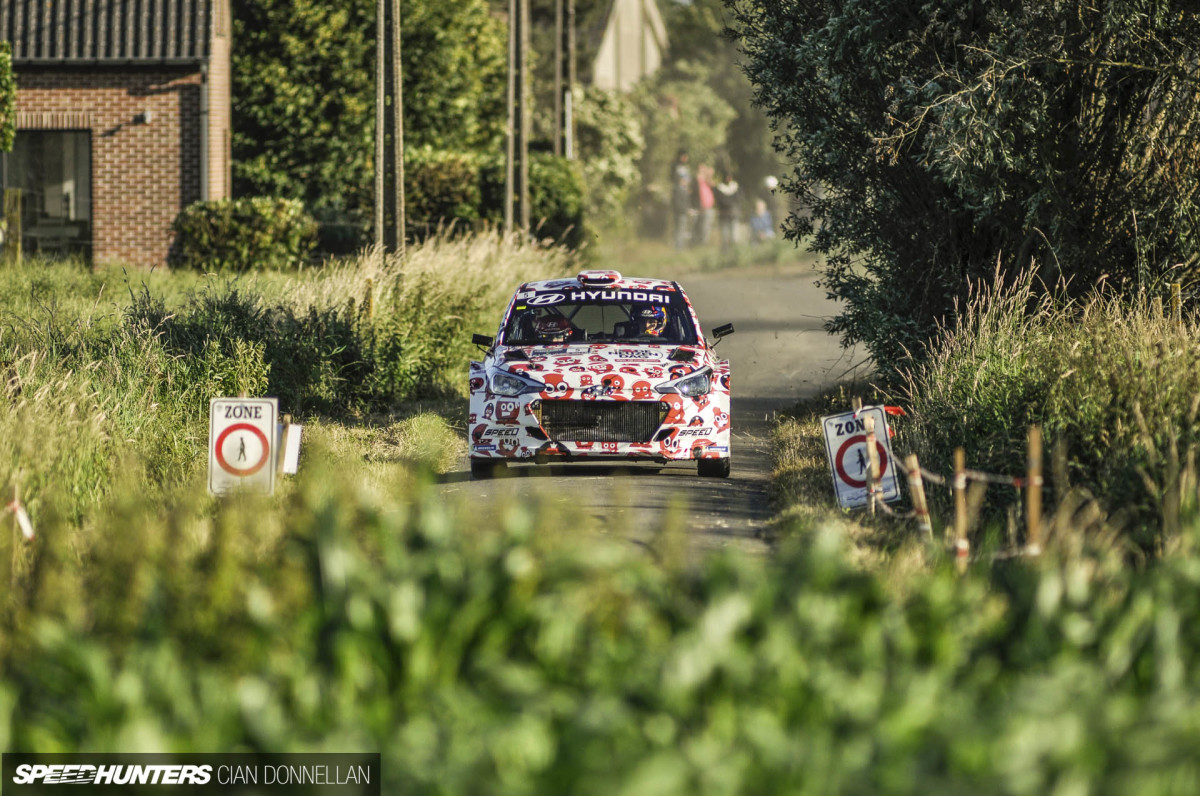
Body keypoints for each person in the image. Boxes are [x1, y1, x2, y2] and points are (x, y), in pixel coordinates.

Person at [670, 150, 696, 250]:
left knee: (683, 229)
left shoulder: (685, 189)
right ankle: (678, 248)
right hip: (680, 210)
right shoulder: (677, 189)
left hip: (684, 208)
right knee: (679, 229)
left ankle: (681, 248)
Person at [714, 171, 740, 251]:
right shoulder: (720, 188)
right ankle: (725, 252)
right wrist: (729, 202)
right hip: (724, 215)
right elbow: (721, 201)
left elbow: (738, 199)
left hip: (733, 214)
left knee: (734, 236)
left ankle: (734, 251)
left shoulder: (735, 187)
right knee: (725, 236)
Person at [695, 163, 715, 246]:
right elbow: (699, 177)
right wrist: (706, 172)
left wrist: (709, 174)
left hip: (709, 207)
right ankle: (701, 244)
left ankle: (704, 243)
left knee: (707, 227)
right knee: (702, 227)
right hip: (703, 207)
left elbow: (712, 184)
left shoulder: (706, 181)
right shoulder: (699, 180)